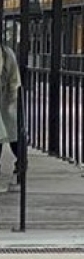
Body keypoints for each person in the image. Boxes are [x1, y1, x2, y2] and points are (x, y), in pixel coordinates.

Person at [0, 39, 22, 186]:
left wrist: (12, 99)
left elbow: (14, 81)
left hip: (6, 101)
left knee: (13, 135)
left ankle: (21, 163)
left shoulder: (7, 54)